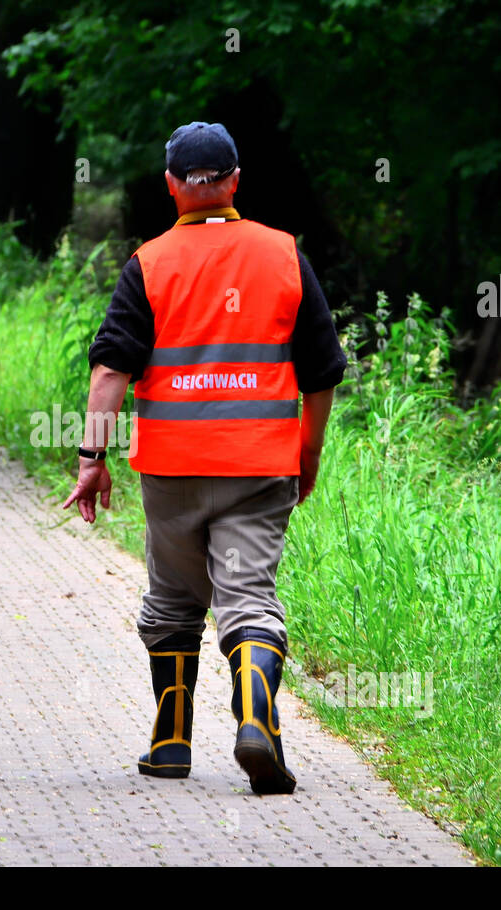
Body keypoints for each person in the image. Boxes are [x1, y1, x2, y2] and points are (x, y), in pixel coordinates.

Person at [63, 121, 345, 795]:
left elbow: (110, 374)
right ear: (236, 180)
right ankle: (256, 718)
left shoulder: (150, 263)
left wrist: (90, 457)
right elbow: (322, 373)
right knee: (248, 598)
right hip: (259, 466)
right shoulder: (283, 255)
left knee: (172, 597)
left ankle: (170, 744)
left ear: (170, 186)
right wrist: (307, 454)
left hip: (171, 468)